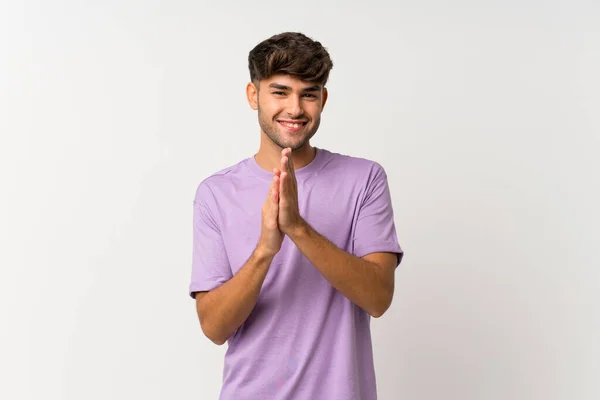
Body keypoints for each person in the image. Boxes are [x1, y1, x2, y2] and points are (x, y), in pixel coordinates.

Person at [189, 32, 404, 400]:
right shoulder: (216, 193)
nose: (295, 109)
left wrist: (298, 228)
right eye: (280, 91)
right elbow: (214, 327)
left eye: (309, 93)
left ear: (323, 99)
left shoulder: (365, 179)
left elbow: (378, 298)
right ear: (253, 94)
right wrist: (264, 251)